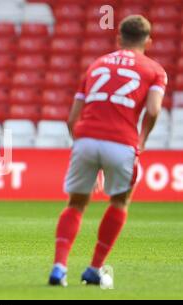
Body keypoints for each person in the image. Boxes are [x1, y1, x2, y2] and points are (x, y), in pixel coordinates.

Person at [48, 15, 167, 286]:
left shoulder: (96, 65)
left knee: (76, 204)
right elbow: (153, 109)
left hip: (86, 138)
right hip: (122, 142)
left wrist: (82, 146)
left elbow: (71, 119)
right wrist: (143, 139)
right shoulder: (155, 70)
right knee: (119, 202)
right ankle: (94, 269)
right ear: (148, 41)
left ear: (118, 39)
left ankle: (58, 268)